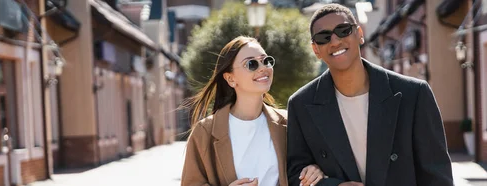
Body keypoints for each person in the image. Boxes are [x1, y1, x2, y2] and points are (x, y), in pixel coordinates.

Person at [286, 4, 454, 186]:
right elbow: (296, 174)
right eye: (323, 37)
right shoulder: (301, 104)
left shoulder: (413, 94)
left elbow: (437, 175)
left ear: (359, 34)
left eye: (343, 30)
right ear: (315, 49)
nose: (334, 41)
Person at [181, 36, 325, 186]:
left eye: (266, 61)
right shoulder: (205, 132)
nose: (263, 68)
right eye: (251, 64)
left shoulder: (289, 123)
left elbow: (306, 166)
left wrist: (314, 169)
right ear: (230, 79)